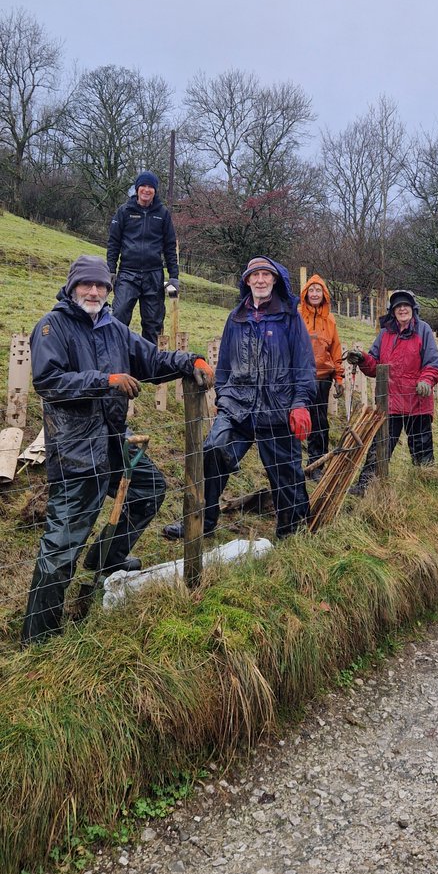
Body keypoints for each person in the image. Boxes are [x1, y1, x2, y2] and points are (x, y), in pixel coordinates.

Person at [22, 254, 214, 644]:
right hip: (76, 449)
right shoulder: (52, 327)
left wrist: (188, 359)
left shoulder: (114, 328)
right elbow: (49, 382)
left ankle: (105, 561)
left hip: (113, 440)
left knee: (149, 489)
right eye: (86, 285)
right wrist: (105, 380)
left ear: (109, 291)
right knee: (62, 543)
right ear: (72, 287)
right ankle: (38, 635)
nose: (94, 292)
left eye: (101, 286)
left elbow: (152, 360)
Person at [163, 256, 316, 543]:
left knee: (286, 474)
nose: (260, 280)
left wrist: (299, 403)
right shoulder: (236, 318)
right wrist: (225, 397)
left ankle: (291, 533)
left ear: (275, 280)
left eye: (265, 275)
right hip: (239, 408)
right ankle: (200, 520)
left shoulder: (289, 317)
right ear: (247, 281)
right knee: (211, 452)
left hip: (278, 408)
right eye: (254, 275)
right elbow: (224, 366)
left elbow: (304, 365)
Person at [346, 289, 438, 495]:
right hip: (390, 402)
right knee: (381, 444)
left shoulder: (423, 330)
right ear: (392, 311)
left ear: (413, 309)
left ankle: (425, 487)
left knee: (421, 446)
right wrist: (362, 358)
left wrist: (426, 380)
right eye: (398, 306)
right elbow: (375, 366)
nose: (402, 309)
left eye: (406, 305)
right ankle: (366, 486)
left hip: (417, 400)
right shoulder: (385, 333)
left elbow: (432, 363)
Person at [107, 170, 180, 346]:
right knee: (118, 316)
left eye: (150, 187)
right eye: (143, 186)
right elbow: (113, 243)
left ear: (155, 190)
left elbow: (170, 246)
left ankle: (149, 365)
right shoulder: (124, 211)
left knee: (153, 323)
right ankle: (116, 357)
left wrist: (174, 276)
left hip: (153, 275)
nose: (146, 190)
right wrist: (110, 270)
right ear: (137, 188)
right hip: (127, 274)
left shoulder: (162, 214)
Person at [298, 274, 344, 479]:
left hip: (322, 377)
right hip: (299, 376)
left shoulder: (330, 320)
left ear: (324, 294)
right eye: (312, 290)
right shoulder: (297, 315)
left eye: (319, 290)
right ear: (305, 293)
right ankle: (293, 463)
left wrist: (339, 377)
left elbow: (335, 349)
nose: (315, 294)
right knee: (297, 419)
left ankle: (316, 464)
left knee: (319, 421)